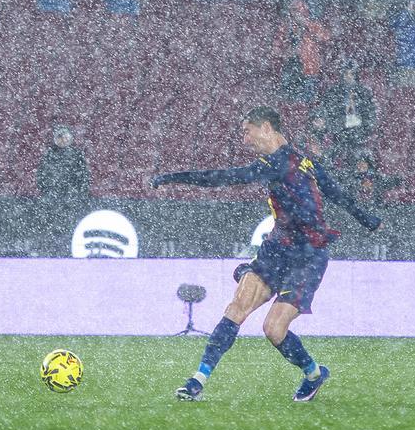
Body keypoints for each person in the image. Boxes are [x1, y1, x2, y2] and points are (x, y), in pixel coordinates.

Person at [150, 106, 381, 402]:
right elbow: (338, 196)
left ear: (267, 128)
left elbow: (336, 194)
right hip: (277, 249)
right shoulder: (289, 163)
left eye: (248, 131)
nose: (245, 139)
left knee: (273, 329)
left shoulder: (296, 163)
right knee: (236, 308)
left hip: (308, 256)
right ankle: (197, 381)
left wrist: (367, 219)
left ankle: (313, 373)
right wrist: (174, 178)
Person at [35, 125, 90, 200]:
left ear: (70, 139)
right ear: (55, 139)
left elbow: (84, 175)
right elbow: (41, 174)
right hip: (52, 196)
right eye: (60, 138)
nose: (63, 140)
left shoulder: (77, 154)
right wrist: (46, 190)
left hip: (72, 196)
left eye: (66, 137)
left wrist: (79, 191)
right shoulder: (49, 154)